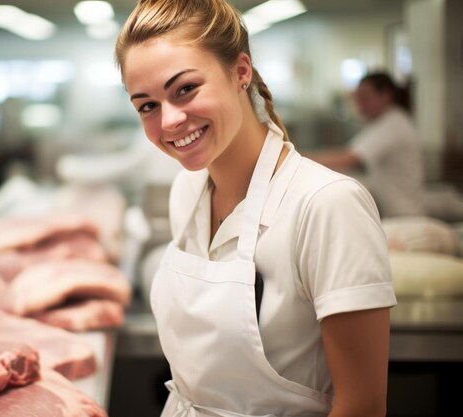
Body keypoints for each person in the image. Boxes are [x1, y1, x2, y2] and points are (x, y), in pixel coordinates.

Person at [116, 1, 396, 416]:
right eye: (147, 106)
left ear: (240, 72)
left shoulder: (326, 205)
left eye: (186, 88)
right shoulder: (187, 191)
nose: (170, 120)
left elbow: (362, 406)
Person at [310, 72, 425, 218]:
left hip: (405, 215)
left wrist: (296, 158)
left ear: (385, 96)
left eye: (365, 98)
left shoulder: (393, 124)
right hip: (394, 212)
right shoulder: (381, 122)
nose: (359, 105)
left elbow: (348, 158)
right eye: (357, 99)